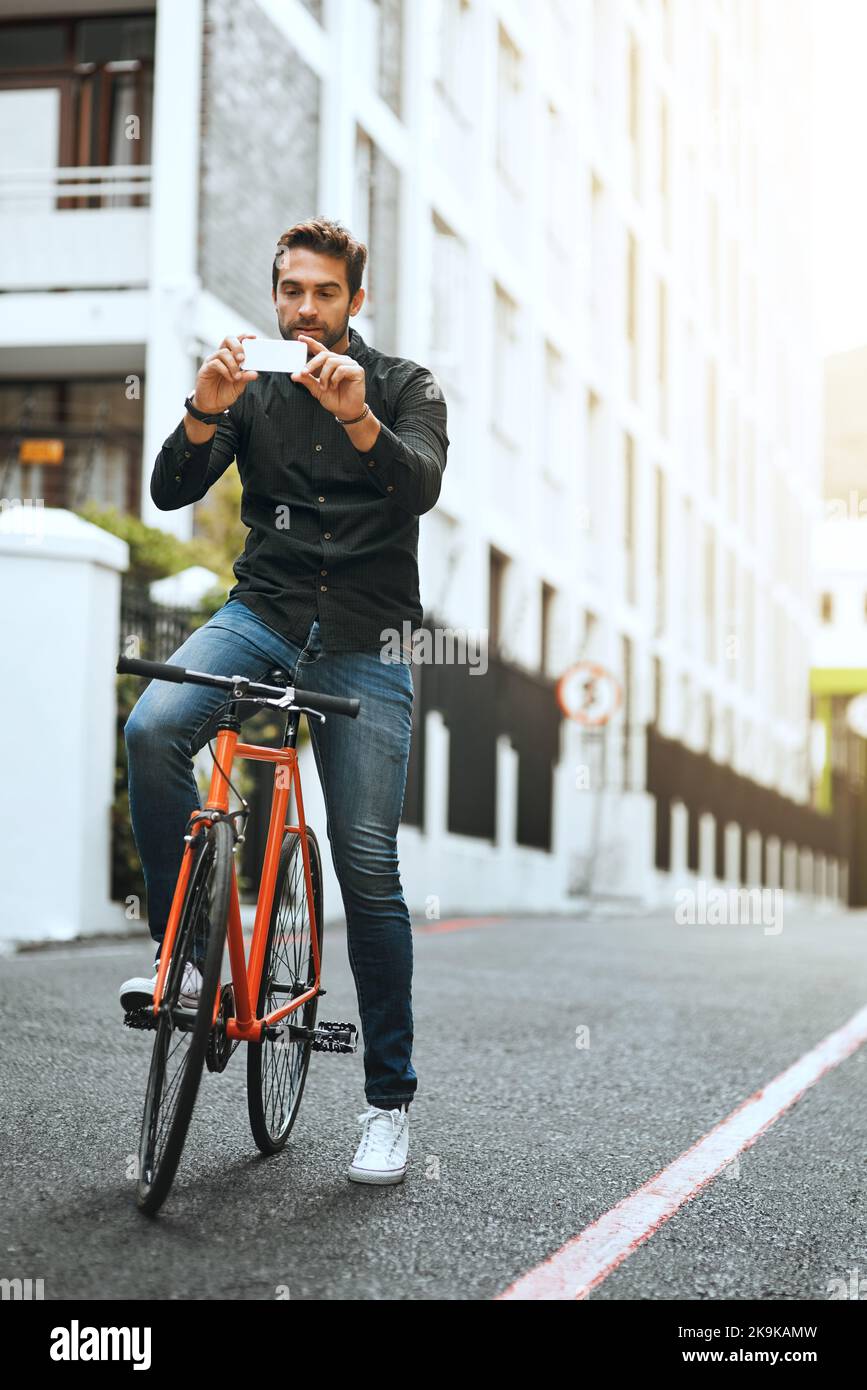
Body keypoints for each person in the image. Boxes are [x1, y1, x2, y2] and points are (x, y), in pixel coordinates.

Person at [118, 217, 449, 1184]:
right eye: (291, 291)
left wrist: (356, 417)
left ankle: (387, 1102)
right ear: (275, 294)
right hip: (261, 615)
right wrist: (200, 408)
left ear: (357, 299)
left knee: (368, 866)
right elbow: (173, 490)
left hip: (367, 636)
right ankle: (183, 954)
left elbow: (418, 485)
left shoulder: (403, 387)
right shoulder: (250, 380)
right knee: (152, 727)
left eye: (326, 294)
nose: (305, 310)